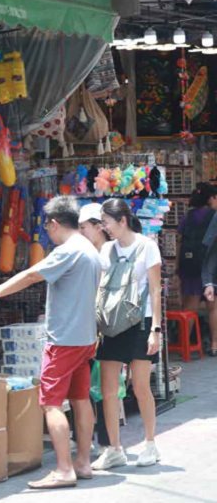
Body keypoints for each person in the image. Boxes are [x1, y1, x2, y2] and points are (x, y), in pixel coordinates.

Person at [0, 196, 101, 489]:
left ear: (53, 224)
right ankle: (83, 462)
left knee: (51, 404)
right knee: (80, 399)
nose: (48, 234)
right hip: (84, 337)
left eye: (47, 228)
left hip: (64, 340)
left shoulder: (68, 251)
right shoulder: (88, 249)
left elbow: (31, 275)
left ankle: (64, 469)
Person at [92, 198, 163, 471]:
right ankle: (114, 449)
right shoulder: (106, 250)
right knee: (108, 390)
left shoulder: (147, 247)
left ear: (121, 221)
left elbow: (156, 290)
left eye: (107, 222)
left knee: (141, 386)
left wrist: (155, 329)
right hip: (112, 324)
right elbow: (99, 287)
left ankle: (150, 443)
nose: (105, 228)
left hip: (141, 321)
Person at [77, 202, 110, 451]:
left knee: (105, 387)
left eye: (84, 227)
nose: (81, 232)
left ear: (99, 227)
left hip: (105, 328)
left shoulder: (109, 252)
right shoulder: (86, 252)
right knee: (89, 386)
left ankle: (107, 442)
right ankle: (90, 441)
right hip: (87, 327)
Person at [178, 183, 217, 356]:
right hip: (210, 265)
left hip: (190, 265)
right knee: (213, 307)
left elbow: (180, 241)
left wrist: (179, 267)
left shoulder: (188, 217)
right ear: (211, 198)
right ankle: (215, 344)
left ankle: (184, 344)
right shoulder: (213, 216)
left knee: (190, 307)